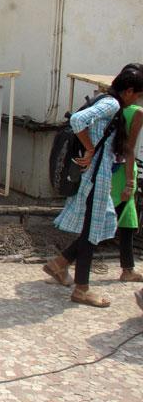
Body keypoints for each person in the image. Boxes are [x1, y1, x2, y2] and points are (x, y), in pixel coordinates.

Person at [43, 65, 143, 307]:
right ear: (129, 91)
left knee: (93, 231)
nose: (138, 101)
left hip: (97, 176)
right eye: (138, 95)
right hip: (96, 177)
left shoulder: (110, 102)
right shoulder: (113, 104)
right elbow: (78, 120)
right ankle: (82, 289)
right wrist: (90, 147)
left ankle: (64, 269)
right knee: (91, 233)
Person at [110, 63, 143, 283]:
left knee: (127, 221)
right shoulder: (136, 112)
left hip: (110, 170)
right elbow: (128, 149)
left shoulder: (112, 106)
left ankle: (127, 268)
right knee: (113, 219)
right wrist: (130, 182)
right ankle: (64, 261)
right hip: (123, 173)